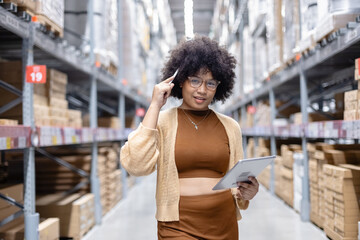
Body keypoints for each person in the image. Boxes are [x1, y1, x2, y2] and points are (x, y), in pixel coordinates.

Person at [120, 35, 259, 239]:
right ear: (180, 81)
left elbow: (237, 184)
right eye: (195, 80)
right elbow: (136, 165)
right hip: (177, 226)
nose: (202, 90)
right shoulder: (162, 122)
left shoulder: (231, 127)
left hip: (224, 224)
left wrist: (246, 193)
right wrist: (154, 106)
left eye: (211, 84)